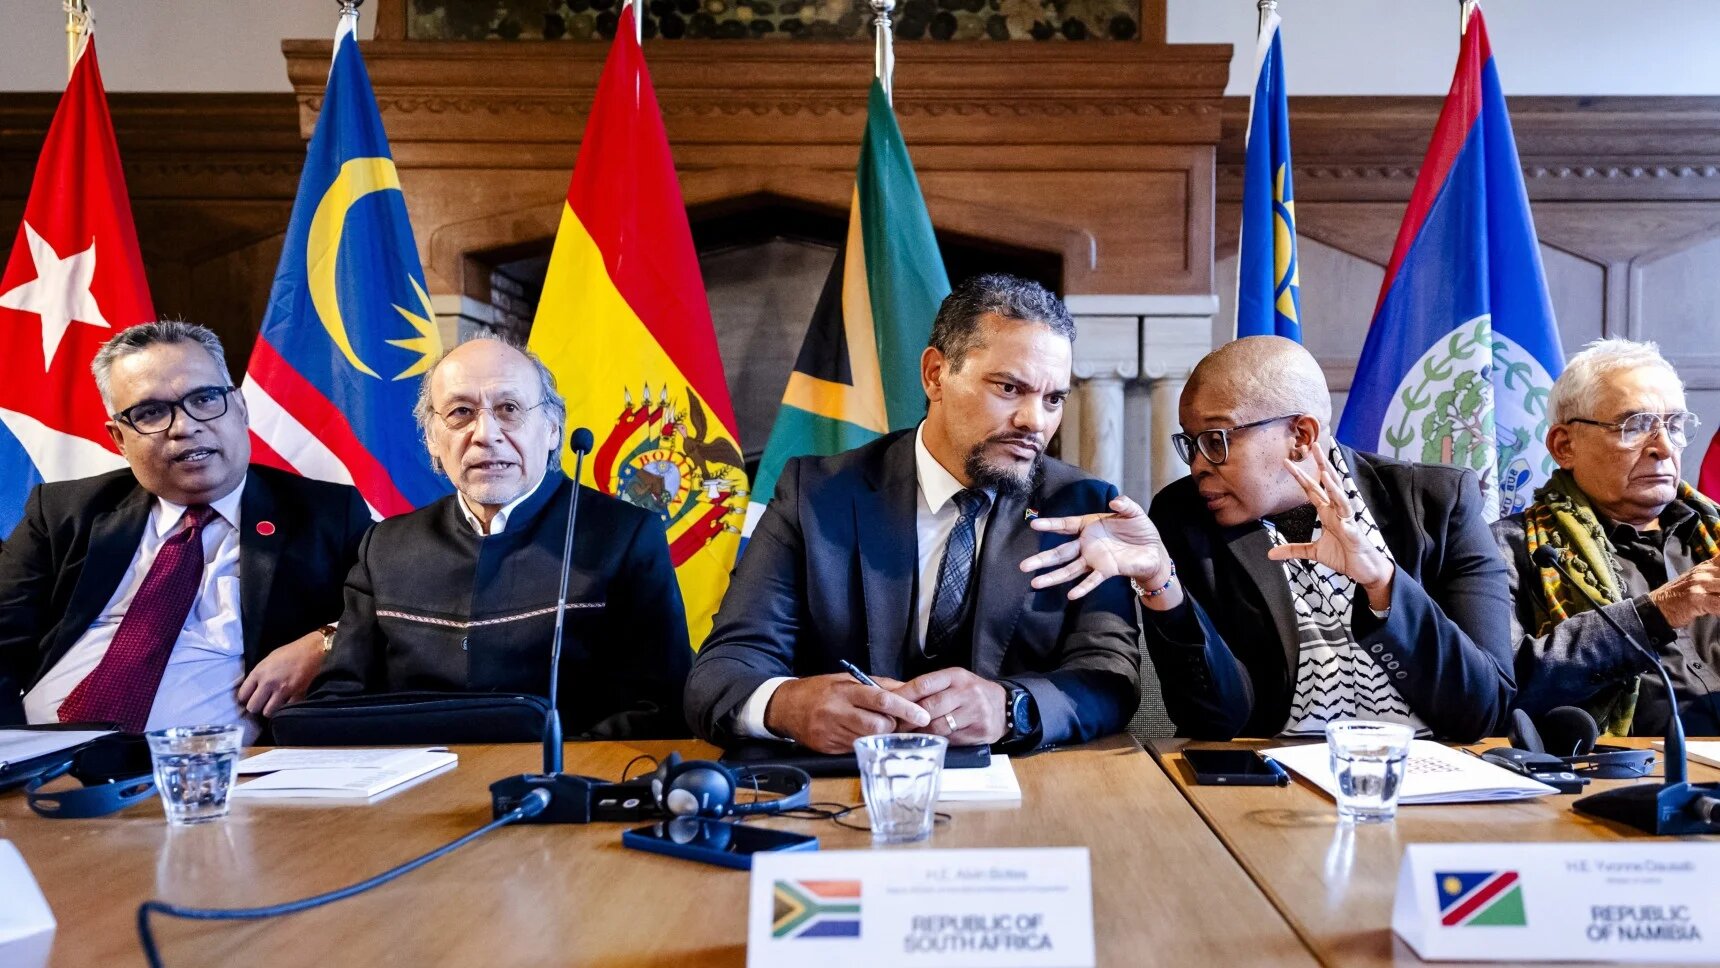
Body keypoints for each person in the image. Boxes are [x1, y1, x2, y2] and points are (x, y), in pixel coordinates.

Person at [685, 274, 1141, 754]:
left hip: (1026, 783)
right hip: (845, 781)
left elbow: (1110, 677)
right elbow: (721, 672)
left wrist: (1012, 707)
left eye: (1053, 399)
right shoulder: (816, 496)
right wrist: (789, 706)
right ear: (935, 375)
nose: (1035, 421)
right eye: (1009, 388)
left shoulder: (1083, 508)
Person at [1023, 336, 1513, 741]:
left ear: (1301, 436)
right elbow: (1214, 721)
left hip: (1437, 776)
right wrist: (1161, 585)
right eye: (1191, 443)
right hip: (1270, 782)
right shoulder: (1185, 517)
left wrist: (1383, 585)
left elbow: (1484, 709)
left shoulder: (1437, 504)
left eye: (1216, 440)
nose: (1197, 465)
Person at [0, 321, 370, 741]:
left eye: (204, 399)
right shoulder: (64, 513)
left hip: (222, 767)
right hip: (36, 760)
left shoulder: (325, 515)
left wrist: (325, 641)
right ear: (119, 438)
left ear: (240, 408)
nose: (183, 426)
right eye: (150, 412)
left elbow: (393, 610)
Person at [309, 335, 691, 738]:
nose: (485, 434)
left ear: (552, 430)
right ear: (432, 439)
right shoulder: (385, 547)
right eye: (460, 412)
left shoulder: (625, 537)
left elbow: (660, 708)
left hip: (567, 771)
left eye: (509, 409)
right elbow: (338, 702)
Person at [1495, 338, 1720, 736]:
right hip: (1612, 766)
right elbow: (1501, 686)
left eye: (1674, 425)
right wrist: (1658, 612)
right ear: (1565, 446)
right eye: (1636, 426)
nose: (1663, 447)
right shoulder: (1512, 549)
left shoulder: (1711, 534)